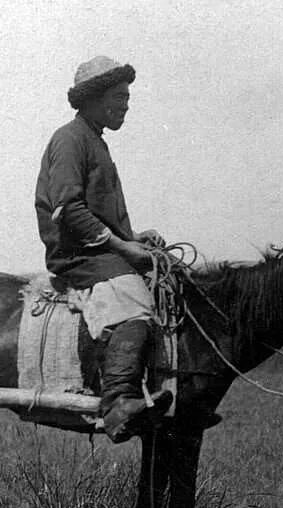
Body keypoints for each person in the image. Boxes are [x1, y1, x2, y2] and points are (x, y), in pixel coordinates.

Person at [34, 55, 172, 443]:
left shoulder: (94, 141)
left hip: (100, 252)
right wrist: (126, 251)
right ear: (93, 99)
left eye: (128, 96)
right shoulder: (70, 139)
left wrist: (135, 239)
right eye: (119, 96)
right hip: (77, 256)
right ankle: (118, 401)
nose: (126, 103)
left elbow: (99, 216)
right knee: (134, 299)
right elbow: (68, 209)